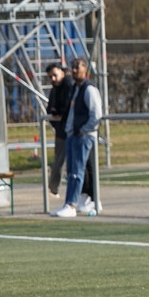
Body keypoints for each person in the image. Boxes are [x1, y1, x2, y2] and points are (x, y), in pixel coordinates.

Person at [52, 58, 102, 218]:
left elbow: (96, 114)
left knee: (78, 171)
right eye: (73, 67)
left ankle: (72, 204)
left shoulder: (89, 89)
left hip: (83, 135)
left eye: (77, 68)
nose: (74, 71)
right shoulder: (75, 88)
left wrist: (84, 129)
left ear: (85, 70)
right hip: (72, 134)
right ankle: (69, 203)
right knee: (71, 172)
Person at [45, 63, 72, 197]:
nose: (53, 79)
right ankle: (53, 188)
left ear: (62, 73)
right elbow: (50, 108)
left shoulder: (69, 84)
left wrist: (60, 112)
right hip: (62, 130)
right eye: (50, 77)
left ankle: (82, 191)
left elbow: (69, 105)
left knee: (75, 162)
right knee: (59, 160)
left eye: (55, 75)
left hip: (73, 130)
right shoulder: (54, 89)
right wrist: (55, 114)